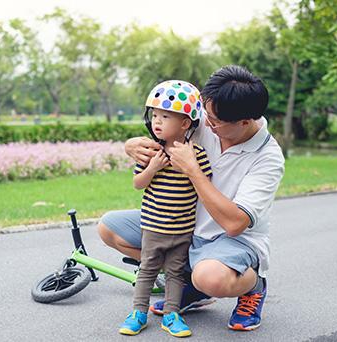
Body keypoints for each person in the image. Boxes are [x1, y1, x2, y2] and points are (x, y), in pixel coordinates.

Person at [99, 65, 285, 332]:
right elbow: (164, 127)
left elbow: (235, 224)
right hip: (183, 222)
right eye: (205, 114)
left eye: (214, 121)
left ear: (245, 122)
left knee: (211, 278)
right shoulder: (208, 120)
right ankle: (191, 285)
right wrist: (131, 145)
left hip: (231, 239)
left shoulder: (268, 157)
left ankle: (253, 286)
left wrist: (193, 171)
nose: (206, 123)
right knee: (109, 229)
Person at [117, 80, 212, 337]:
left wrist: (190, 168)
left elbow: (205, 185)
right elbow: (138, 184)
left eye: (166, 116)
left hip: (182, 230)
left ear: (185, 123)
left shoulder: (196, 154)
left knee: (175, 273)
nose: (157, 121)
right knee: (146, 270)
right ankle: (138, 312)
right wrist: (152, 168)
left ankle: (172, 314)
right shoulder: (150, 152)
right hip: (153, 227)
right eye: (155, 115)